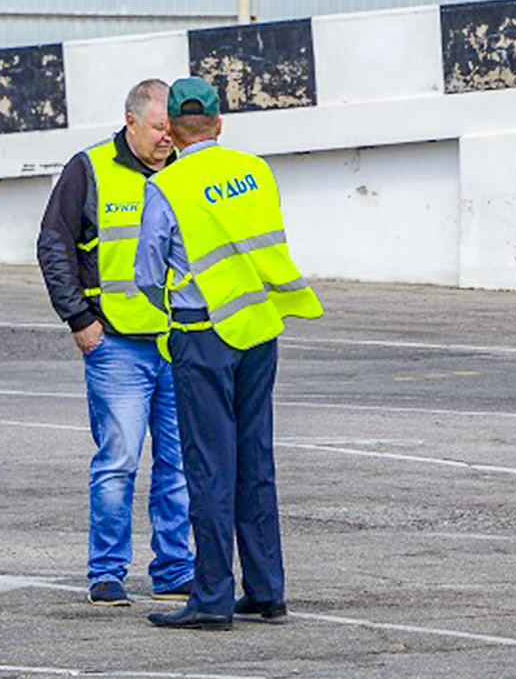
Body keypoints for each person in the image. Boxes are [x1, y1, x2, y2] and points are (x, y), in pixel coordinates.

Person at [135, 77, 322, 630]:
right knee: (254, 463)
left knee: (209, 467)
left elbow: (148, 273)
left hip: (203, 334)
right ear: (220, 124)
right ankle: (266, 590)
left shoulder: (166, 188)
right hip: (260, 329)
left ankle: (213, 595)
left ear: (168, 127)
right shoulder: (255, 171)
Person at [35, 78, 195, 608]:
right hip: (116, 345)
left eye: (171, 127)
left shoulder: (187, 171)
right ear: (131, 122)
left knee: (178, 465)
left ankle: (174, 570)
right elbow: (53, 243)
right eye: (158, 128)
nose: (167, 137)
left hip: (178, 343)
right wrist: (78, 318)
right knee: (118, 462)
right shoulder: (89, 168)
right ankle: (106, 573)